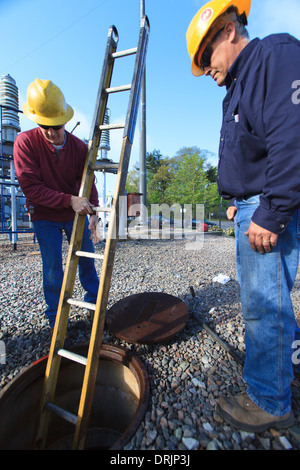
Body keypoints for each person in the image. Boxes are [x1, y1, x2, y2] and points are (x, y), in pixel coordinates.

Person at [186, 0, 300, 432]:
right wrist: (236, 197)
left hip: (268, 208)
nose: (204, 68)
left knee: (265, 305)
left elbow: (292, 137)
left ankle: (271, 401)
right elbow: (250, 148)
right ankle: (271, 381)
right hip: (253, 205)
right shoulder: (237, 85)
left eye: (204, 56)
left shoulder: (275, 56)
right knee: (260, 301)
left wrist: (271, 212)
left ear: (229, 30)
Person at [14, 78, 100, 332]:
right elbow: (31, 187)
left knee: (86, 260)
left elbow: (88, 180)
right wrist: (68, 200)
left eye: (57, 126)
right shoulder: (25, 143)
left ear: (64, 118)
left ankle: (94, 308)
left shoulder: (79, 147)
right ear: (36, 121)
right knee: (52, 266)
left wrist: (93, 210)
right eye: (44, 126)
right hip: (44, 214)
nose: (51, 132)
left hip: (75, 212)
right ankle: (56, 320)